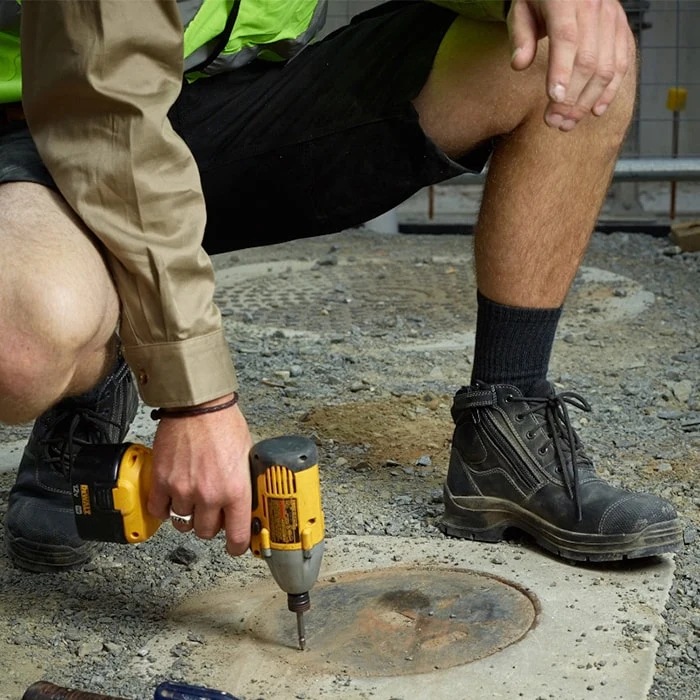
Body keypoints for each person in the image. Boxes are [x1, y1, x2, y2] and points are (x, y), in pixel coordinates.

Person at [0, 0, 682, 572]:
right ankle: (106, 354)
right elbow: (106, 114)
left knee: (577, 51)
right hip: (53, 116)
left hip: (220, 98)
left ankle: (508, 417)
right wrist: (194, 399)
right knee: (24, 343)